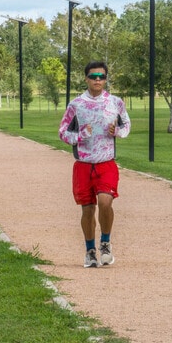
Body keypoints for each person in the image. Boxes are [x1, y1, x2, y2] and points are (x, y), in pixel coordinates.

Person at [59, 61, 131, 268]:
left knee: (105, 202)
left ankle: (105, 244)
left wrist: (116, 132)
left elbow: (126, 124)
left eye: (101, 76)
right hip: (83, 164)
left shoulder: (115, 102)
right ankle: (90, 251)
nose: (97, 80)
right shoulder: (76, 105)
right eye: (93, 76)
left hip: (106, 162)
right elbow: (63, 132)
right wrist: (80, 135)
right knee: (88, 210)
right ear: (86, 79)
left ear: (106, 79)